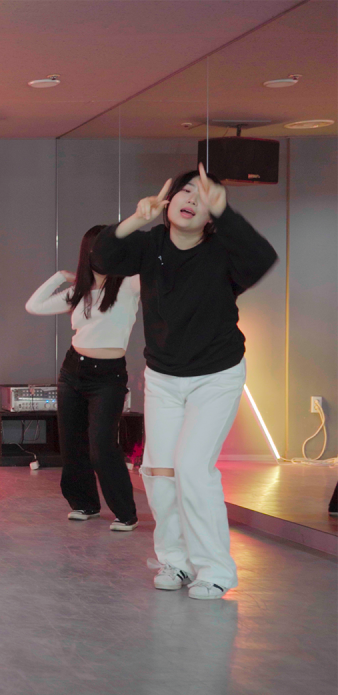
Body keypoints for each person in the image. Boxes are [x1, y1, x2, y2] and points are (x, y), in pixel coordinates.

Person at [95, 165, 277, 600]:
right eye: (185, 191)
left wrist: (227, 212)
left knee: (193, 468)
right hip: (163, 377)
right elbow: (102, 258)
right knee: (159, 471)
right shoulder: (150, 245)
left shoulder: (223, 252)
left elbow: (261, 259)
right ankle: (175, 561)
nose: (192, 199)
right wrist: (136, 218)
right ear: (169, 200)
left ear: (211, 214)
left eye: (203, 196)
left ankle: (215, 570)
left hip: (216, 376)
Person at [26, 226, 141, 531]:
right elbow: (33, 306)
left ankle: (125, 513)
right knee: (72, 443)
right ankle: (85, 504)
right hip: (73, 370)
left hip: (108, 376)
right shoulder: (78, 291)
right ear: (88, 252)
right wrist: (61, 277)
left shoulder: (129, 284)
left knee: (102, 445)